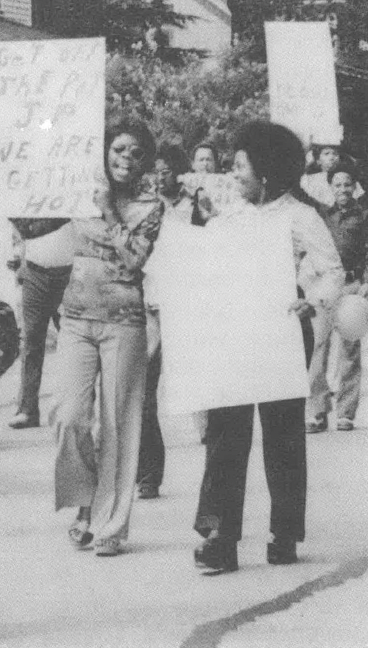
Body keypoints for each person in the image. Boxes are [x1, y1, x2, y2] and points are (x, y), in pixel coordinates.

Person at [192, 121, 344, 574]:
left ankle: (284, 533)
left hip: (281, 332)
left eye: (241, 165)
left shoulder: (299, 215)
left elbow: (331, 270)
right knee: (224, 433)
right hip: (234, 332)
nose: (234, 173)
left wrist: (310, 300)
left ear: (267, 171)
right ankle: (220, 537)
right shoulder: (229, 214)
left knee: (282, 434)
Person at [53, 117, 162, 557]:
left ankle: (111, 524)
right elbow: (32, 227)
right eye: (119, 150)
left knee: (118, 424)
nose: (126, 160)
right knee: (70, 417)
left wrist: (111, 212)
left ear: (145, 163)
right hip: (76, 316)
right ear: (105, 151)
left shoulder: (151, 205)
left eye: (136, 154)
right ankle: (84, 504)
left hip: (124, 322)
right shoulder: (77, 190)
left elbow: (135, 259)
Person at [136, 143, 192, 500]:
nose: (158, 178)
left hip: (186, 306)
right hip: (150, 304)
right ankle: (148, 474)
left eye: (165, 171)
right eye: (154, 171)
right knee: (143, 393)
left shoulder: (195, 207)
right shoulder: (144, 209)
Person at [306, 162, 368, 433]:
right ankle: (318, 411)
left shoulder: (363, 215)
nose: (342, 189)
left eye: (347, 184)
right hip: (325, 285)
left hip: (352, 286)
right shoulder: (322, 214)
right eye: (337, 184)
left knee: (350, 349)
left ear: (355, 187)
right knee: (319, 347)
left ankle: (345, 412)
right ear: (330, 187)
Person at [7, 218, 74, 430]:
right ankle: (27, 409)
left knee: (75, 342)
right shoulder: (30, 196)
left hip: (71, 274)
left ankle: (75, 408)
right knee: (31, 342)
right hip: (35, 273)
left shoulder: (72, 191)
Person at [300, 143, 364, 208]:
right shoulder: (309, 180)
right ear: (318, 160)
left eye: (335, 154)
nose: (332, 157)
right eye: (326, 154)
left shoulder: (347, 178)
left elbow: (357, 199)